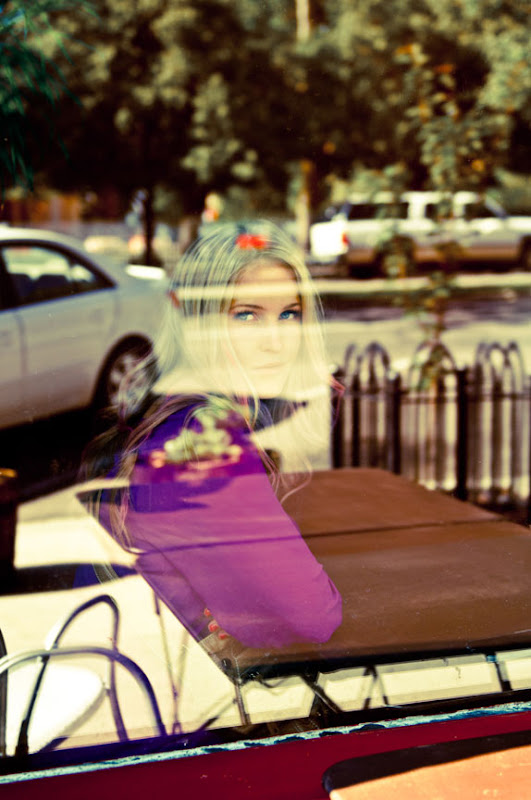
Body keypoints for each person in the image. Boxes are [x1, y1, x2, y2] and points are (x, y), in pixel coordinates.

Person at [88, 221, 342, 652]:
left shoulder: (169, 411)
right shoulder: (205, 443)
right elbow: (315, 616)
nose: (276, 341)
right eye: (247, 315)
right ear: (196, 320)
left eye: (289, 313)